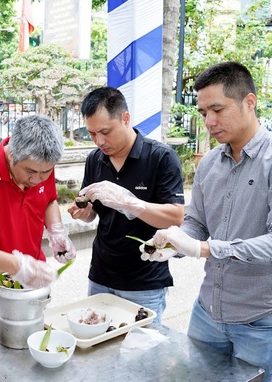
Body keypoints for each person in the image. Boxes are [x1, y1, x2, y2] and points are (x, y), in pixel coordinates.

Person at [144, 61, 272, 382]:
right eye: (203, 111)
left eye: (217, 109)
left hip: (262, 319)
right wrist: (173, 242)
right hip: (209, 310)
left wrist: (206, 248)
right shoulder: (209, 164)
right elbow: (196, 223)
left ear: (249, 102)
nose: (208, 121)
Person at [67, 87, 184, 324]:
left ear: (126, 118)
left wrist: (129, 203)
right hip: (101, 275)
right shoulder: (95, 159)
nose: (99, 141)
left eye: (105, 132)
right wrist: (85, 212)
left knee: (141, 356)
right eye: (91, 134)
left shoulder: (160, 158)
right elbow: (93, 214)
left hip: (144, 281)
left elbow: (175, 217)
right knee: (98, 349)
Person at [0, 114, 76, 331]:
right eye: (30, 172)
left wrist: (56, 231)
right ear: (13, 155)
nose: (38, 179)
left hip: (35, 285)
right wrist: (17, 265)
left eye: (45, 172)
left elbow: (49, 200)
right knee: (0, 360)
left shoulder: (42, 162)